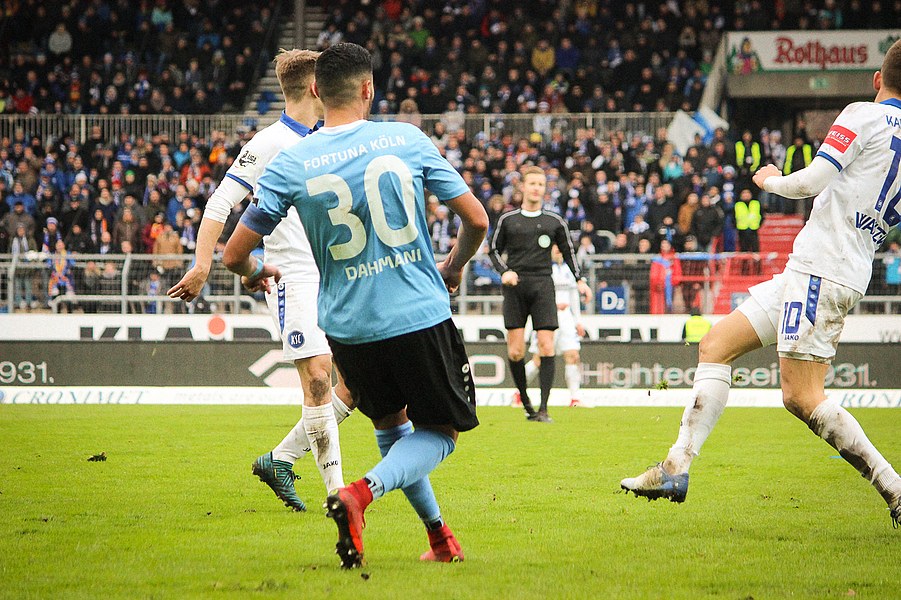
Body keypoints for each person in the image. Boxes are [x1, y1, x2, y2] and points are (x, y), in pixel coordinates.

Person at [222, 42, 489, 568]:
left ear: (316, 91)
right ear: (368, 88)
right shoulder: (406, 139)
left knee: (392, 426)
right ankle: (359, 494)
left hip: (348, 326)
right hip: (417, 312)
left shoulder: (291, 162)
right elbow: (477, 219)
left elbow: (234, 254)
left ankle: (440, 537)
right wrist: (455, 265)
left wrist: (255, 272)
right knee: (442, 433)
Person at [621, 41, 901, 528]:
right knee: (715, 345)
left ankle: (894, 488)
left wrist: (771, 179)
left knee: (801, 396)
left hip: (822, 268)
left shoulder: (864, 114)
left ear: (877, 79)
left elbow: (810, 181)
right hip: (828, 266)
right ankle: (674, 468)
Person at [167, 49, 354, 512]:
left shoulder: (329, 137)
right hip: (293, 276)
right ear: (315, 88)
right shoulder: (268, 143)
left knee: (357, 386)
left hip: (337, 273)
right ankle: (338, 497)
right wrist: (203, 264)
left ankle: (280, 459)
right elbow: (220, 201)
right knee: (318, 376)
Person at [489, 166, 591, 422]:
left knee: (546, 346)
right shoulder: (508, 220)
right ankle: (526, 403)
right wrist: (504, 271)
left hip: (544, 285)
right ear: (523, 187)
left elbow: (568, 252)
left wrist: (580, 280)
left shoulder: (554, 222)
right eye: (532, 183)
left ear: (545, 189)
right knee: (515, 351)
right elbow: (493, 250)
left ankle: (544, 409)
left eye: (541, 184)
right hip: (515, 287)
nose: (536, 188)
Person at [523, 245, 591, 407]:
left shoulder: (570, 269)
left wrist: (578, 321)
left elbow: (574, 296)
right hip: (547, 315)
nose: (558, 249)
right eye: (555, 246)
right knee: (539, 359)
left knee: (573, 355)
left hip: (566, 318)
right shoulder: (543, 268)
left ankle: (575, 398)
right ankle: (519, 393)